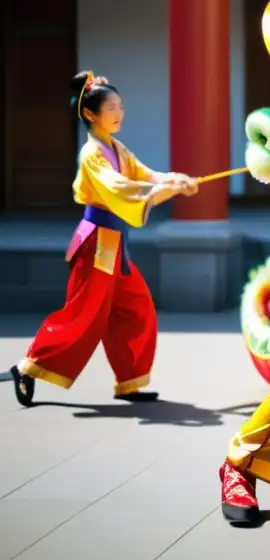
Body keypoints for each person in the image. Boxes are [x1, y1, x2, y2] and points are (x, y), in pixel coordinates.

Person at [10, 71, 198, 407]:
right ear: (90, 114)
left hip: (115, 246)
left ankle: (129, 380)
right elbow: (119, 189)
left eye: (120, 106)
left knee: (136, 308)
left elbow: (143, 175)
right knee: (82, 317)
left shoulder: (117, 147)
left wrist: (174, 180)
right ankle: (29, 366)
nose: (119, 113)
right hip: (95, 245)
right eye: (112, 107)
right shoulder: (91, 155)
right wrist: (162, 191)